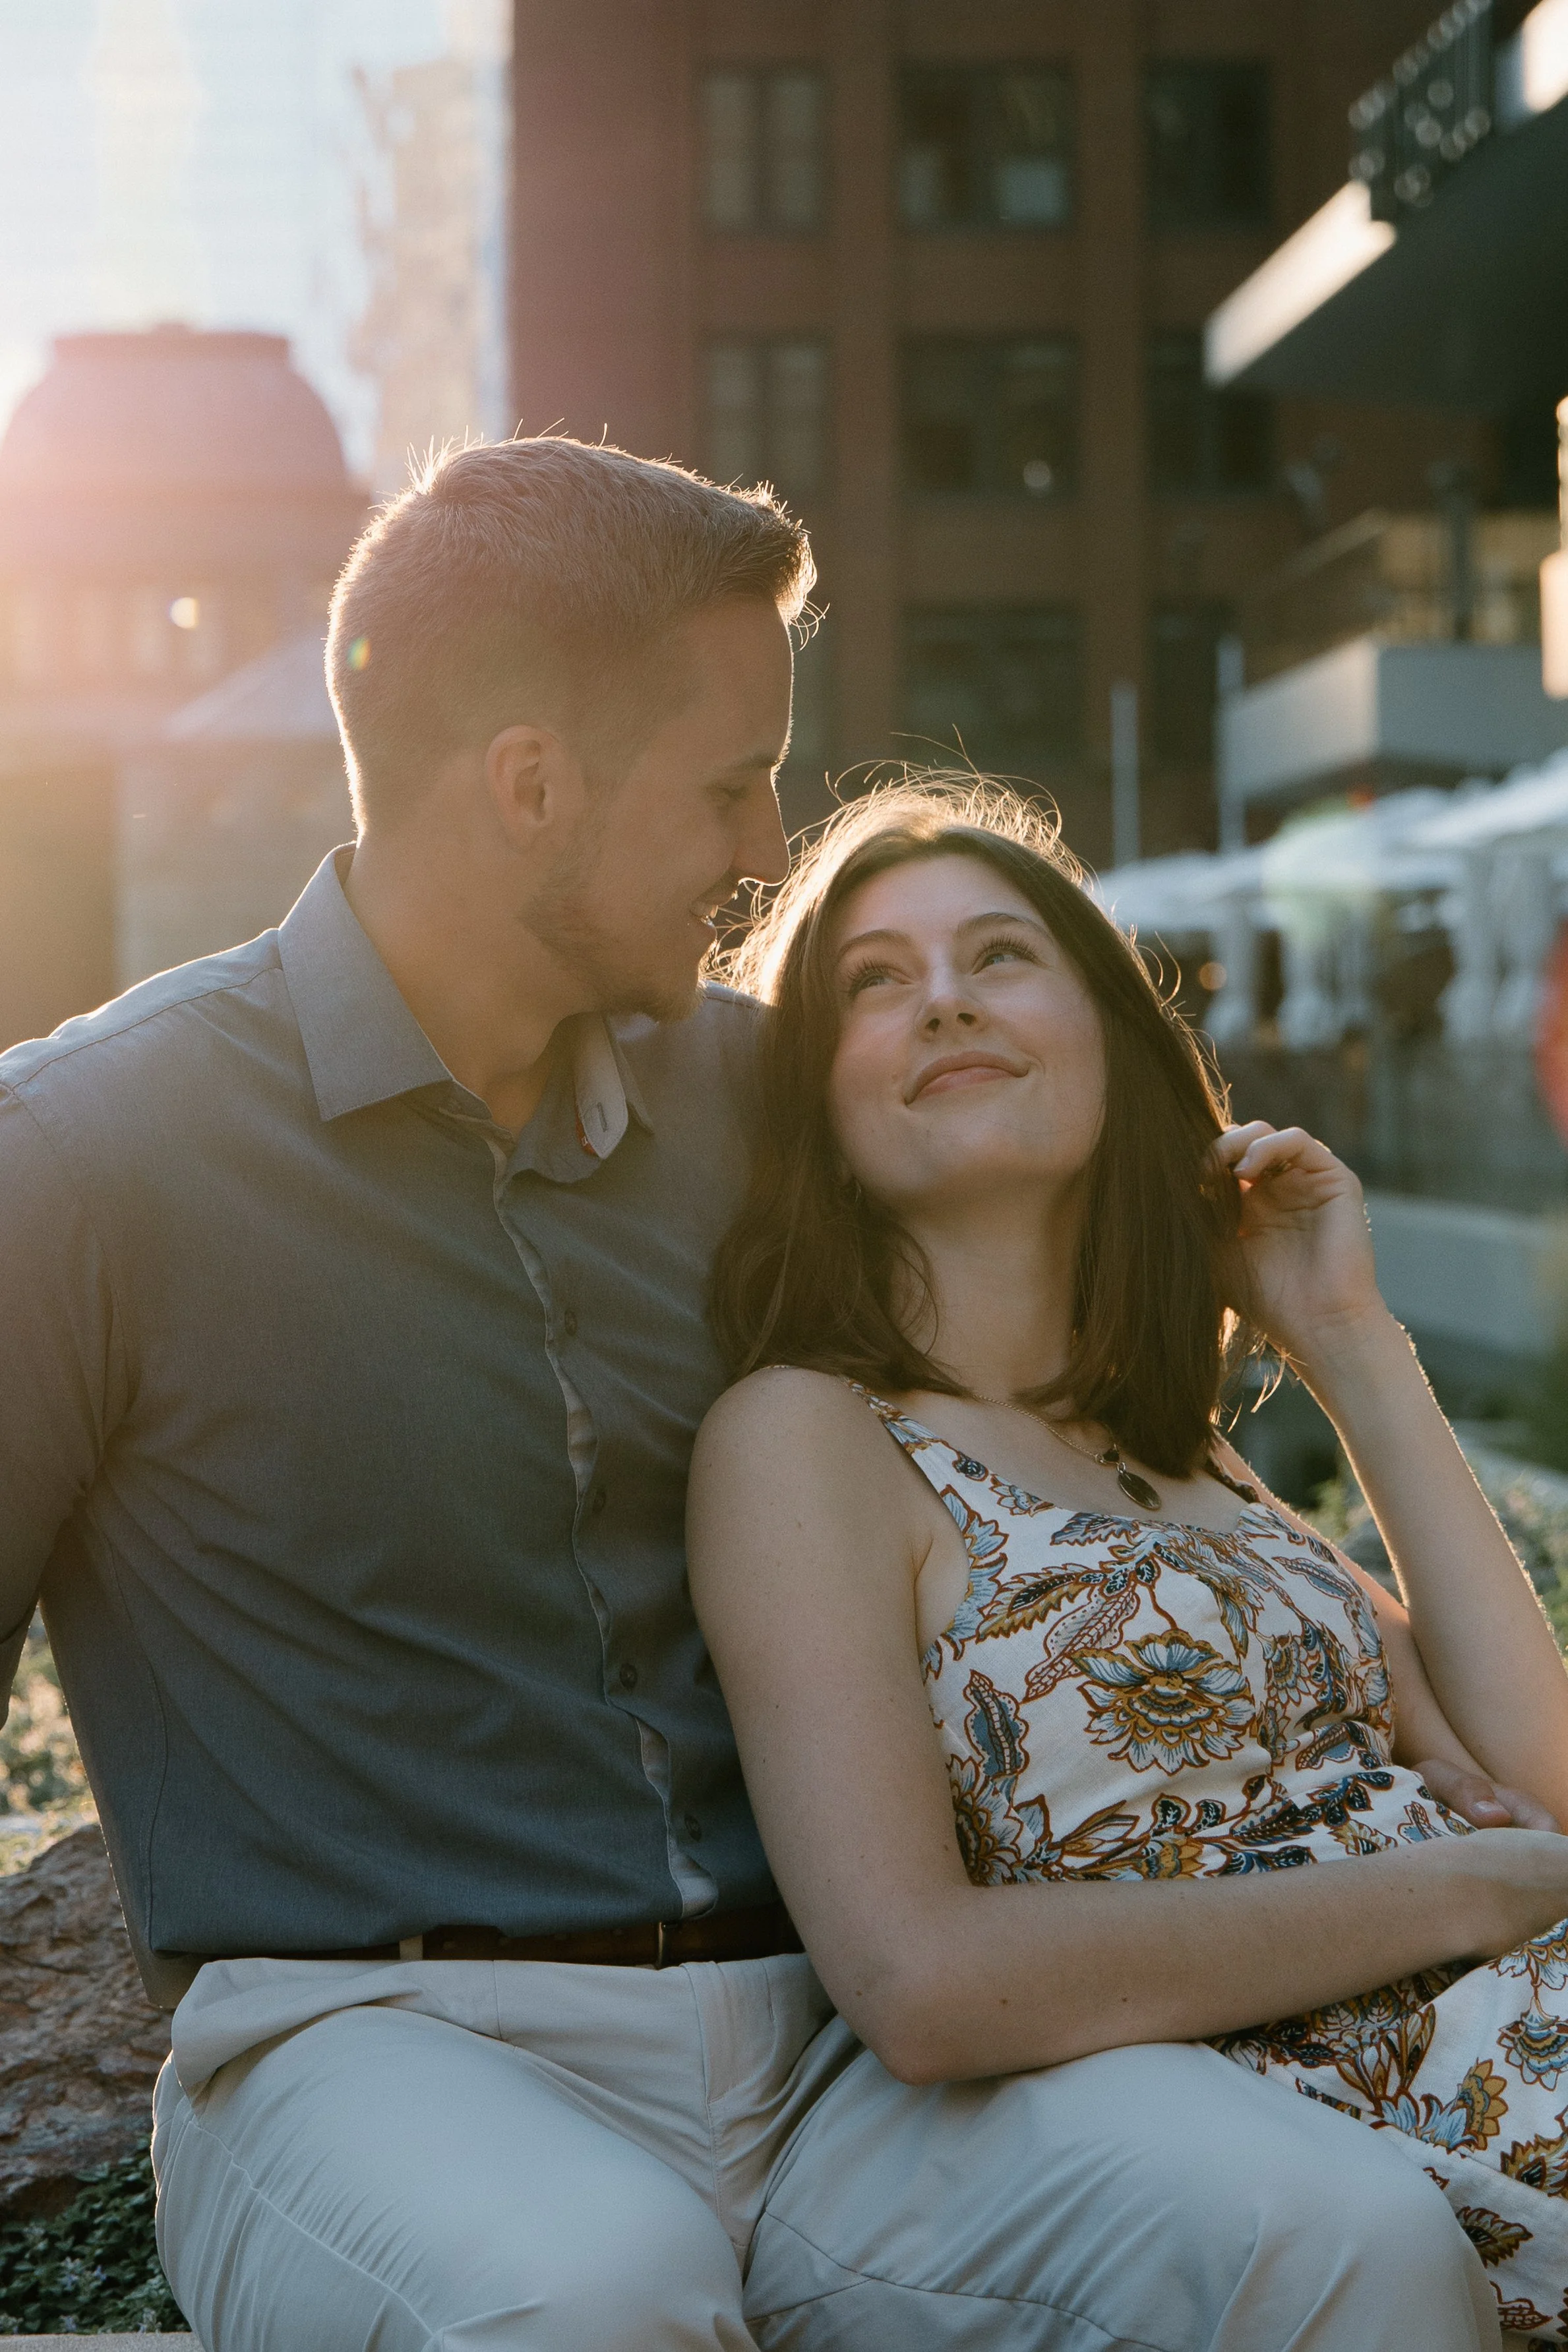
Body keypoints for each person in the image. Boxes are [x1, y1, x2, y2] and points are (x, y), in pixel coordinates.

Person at [0, 442, 1504, 2352]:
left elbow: (1054, 1382)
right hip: (373, 2047)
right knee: (588, 2299)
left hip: (841, 2050)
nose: (765, 844)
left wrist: (1268, 1285)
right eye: (730, 781)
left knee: (1335, 2231)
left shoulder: (764, 1102)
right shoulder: (82, 1154)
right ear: (528, 781)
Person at [690, 777, 1568, 2349]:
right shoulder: (810, 1436)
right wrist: (1451, 1891)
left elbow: (1543, 1779)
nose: (943, 995)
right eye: (874, 983)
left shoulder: (1173, 1448)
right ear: (819, 1103)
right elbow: (920, 1977)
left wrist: (1350, 1344)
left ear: (1106, 1033)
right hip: (1254, 2133)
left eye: (1000, 955)